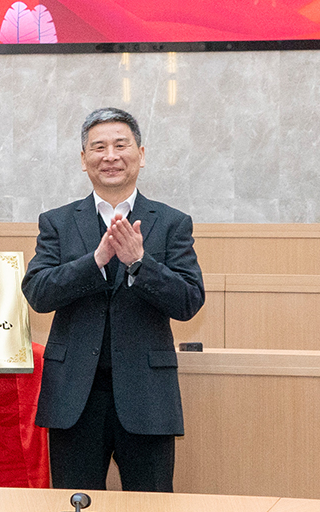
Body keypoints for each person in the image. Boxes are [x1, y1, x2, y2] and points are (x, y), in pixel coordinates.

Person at [24, 107, 203, 493]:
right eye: (99, 147)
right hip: (74, 399)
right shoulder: (57, 222)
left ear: (141, 154)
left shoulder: (171, 222)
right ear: (83, 159)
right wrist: (95, 262)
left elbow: (189, 300)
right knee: (76, 502)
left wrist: (140, 263)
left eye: (121, 145)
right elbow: (38, 292)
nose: (110, 156)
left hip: (147, 397)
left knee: (151, 504)